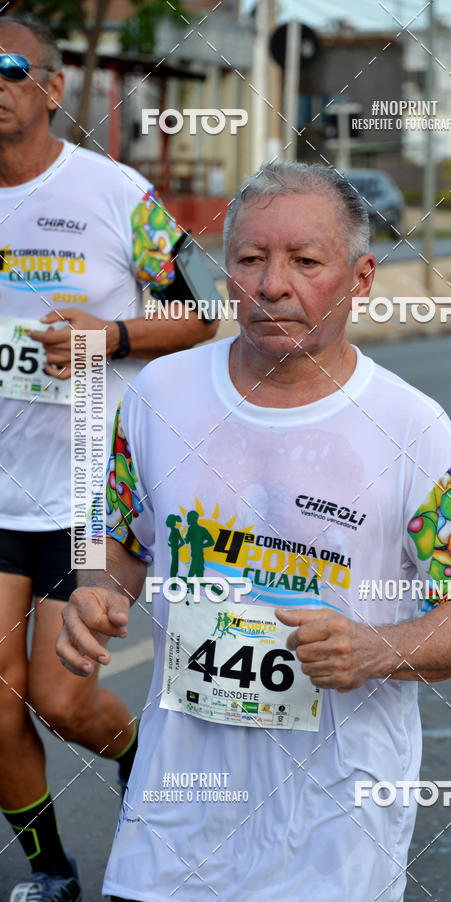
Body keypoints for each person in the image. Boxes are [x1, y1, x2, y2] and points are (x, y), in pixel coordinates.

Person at [58, 162, 451, 902]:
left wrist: (377, 649)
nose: (272, 285)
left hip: (333, 832)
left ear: (360, 277)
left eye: (306, 262)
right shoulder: (159, 394)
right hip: (174, 821)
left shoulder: (411, 428)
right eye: (248, 259)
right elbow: (115, 538)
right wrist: (93, 595)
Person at [0, 14, 217, 902]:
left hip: (90, 487)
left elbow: (200, 318)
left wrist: (113, 334)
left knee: (58, 695)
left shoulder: (118, 192)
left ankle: (141, 762)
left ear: (52, 89)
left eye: (9, 66)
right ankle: (51, 872)